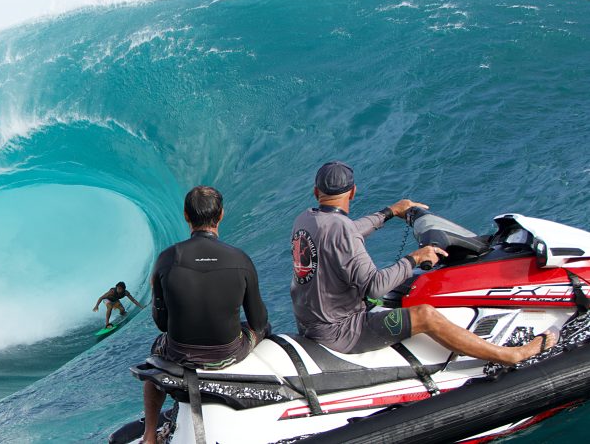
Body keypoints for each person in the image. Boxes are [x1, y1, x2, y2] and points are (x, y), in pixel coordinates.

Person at [290, 160, 555, 365]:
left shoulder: (307, 219)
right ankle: (512, 355)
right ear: (353, 192)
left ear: (316, 192)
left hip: (311, 323)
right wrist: (415, 258)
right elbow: (374, 287)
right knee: (425, 314)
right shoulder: (342, 230)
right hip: (341, 332)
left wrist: (389, 212)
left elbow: (350, 231)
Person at [142, 186, 269, 444]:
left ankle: (149, 435)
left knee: (155, 356)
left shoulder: (167, 259)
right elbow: (258, 321)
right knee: (262, 330)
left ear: (186, 216)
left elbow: (162, 324)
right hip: (228, 352)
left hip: (179, 354)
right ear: (221, 215)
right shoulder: (240, 259)